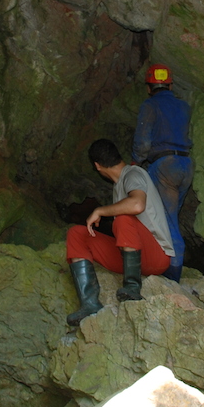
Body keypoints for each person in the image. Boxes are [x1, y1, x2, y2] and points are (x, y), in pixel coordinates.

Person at [65, 138, 177, 326]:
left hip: (156, 256)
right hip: (131, 257)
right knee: (77, 234)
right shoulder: (118, 186)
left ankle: (132, 288)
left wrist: (100, 210)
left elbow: (137, 204)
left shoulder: (133, 174)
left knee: (124, 219)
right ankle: (90, 303)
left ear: (97, 166)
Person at [132, 63, 193, 281]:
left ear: (149, 87)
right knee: (171, 217)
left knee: (166, 223)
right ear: (170, 85)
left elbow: (143, 143)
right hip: (185, 165)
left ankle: (171, 277)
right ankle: (164, 265)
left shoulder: (150, 105)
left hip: (164, 167)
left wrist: (134, 163)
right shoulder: (184, 106)